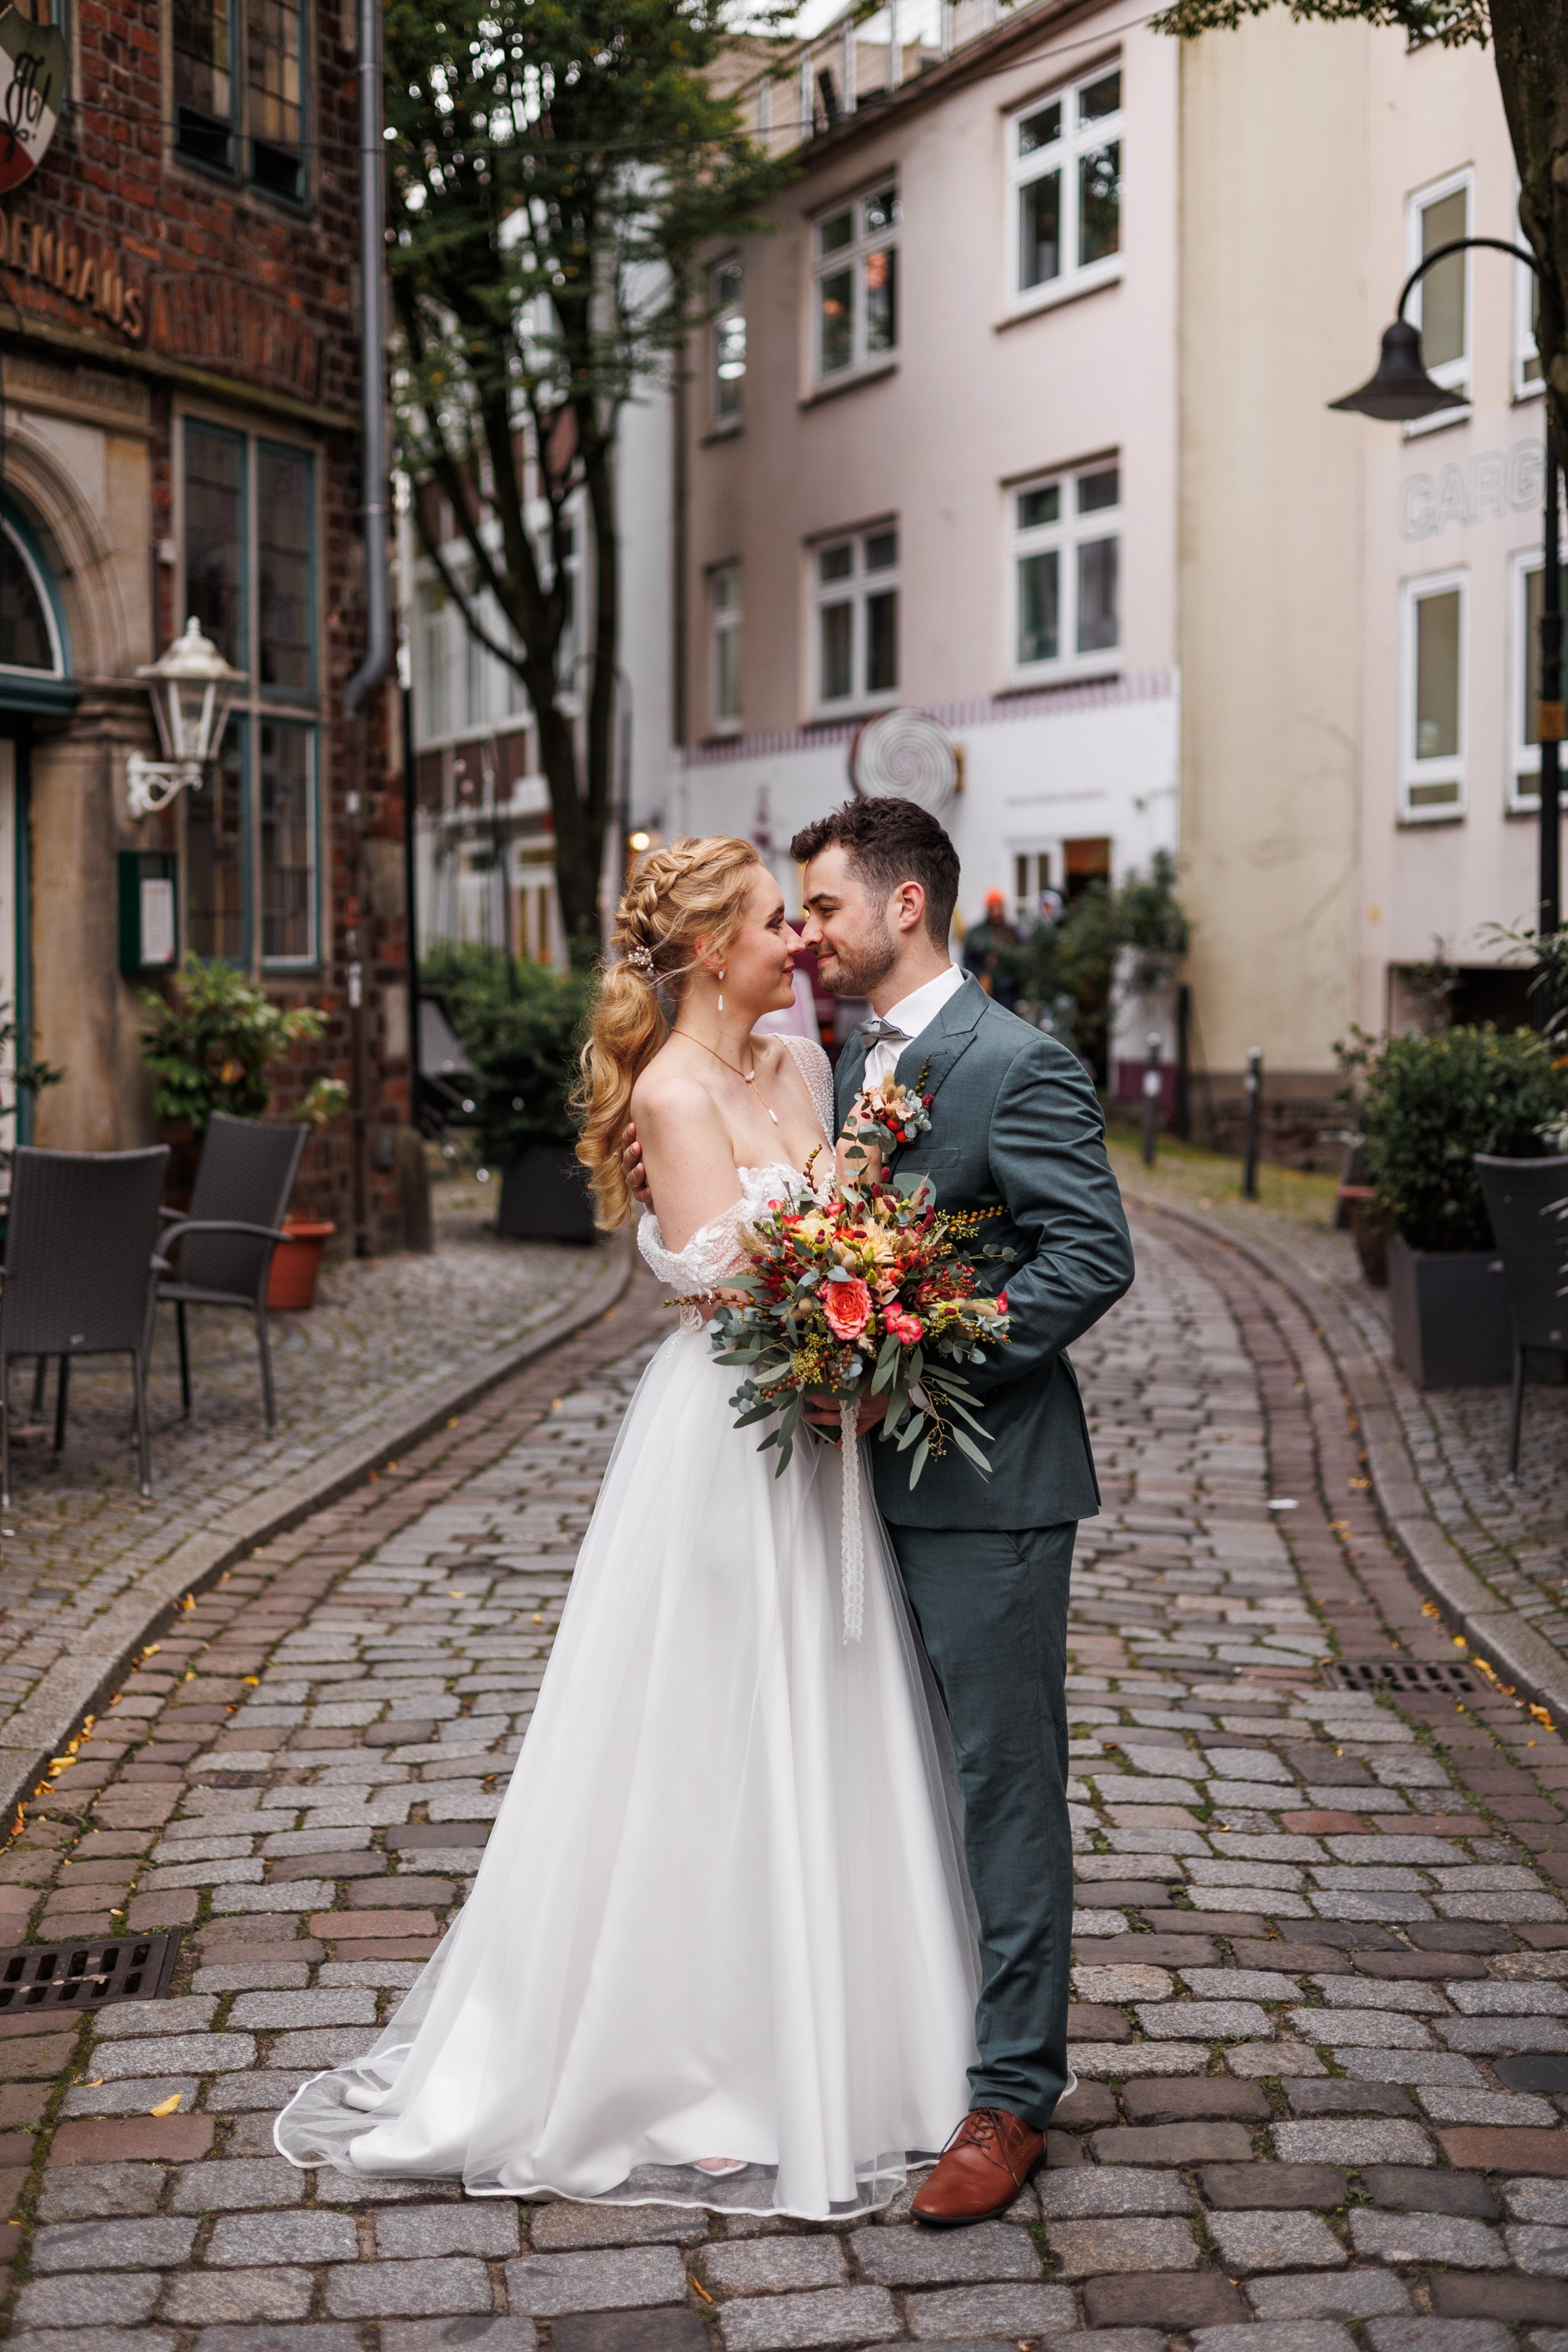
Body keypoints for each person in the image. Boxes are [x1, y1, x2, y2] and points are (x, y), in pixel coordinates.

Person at [274, 835, 980, 2221]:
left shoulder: (806, 1064)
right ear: (714, 951)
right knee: (707, 1731)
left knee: (831, 1707)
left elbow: (849, 1225)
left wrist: (883, 1295)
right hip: (731, 1438)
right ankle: (691, 2061)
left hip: (820, 1433)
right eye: (777, 921)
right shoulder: (670, 1091)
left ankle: (850, 2035)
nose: (801, 941)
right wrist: (844, 1297)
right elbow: (737, 1291)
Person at [626, 799, 1134, 2223]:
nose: (808, 936)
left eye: (826, 907)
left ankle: (1011, 2099)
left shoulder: (1017, 1063)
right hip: (836, 1495)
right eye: (791, 912)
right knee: (872, 1782)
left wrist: (914, 1355)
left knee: (1001, 1783)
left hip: (984, 1487)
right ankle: (884, 2042)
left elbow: (1088, 1254)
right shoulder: (831, 1061)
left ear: (904, 907)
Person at [960, 886, 1025, 1009]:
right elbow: (968, 960)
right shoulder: (976, 933)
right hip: (983, 991)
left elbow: (1019, 961)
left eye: (998, 907)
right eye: (992, 907)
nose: (996, 912)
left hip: (1007, 994)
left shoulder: (1011, 932)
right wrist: (979, 977)